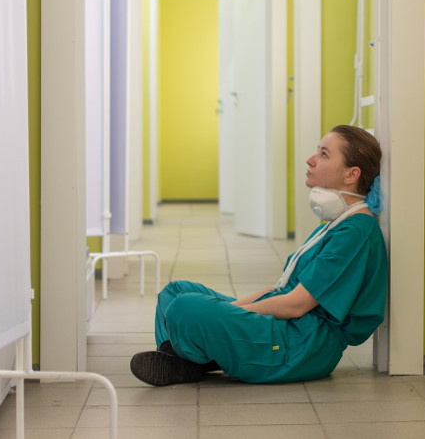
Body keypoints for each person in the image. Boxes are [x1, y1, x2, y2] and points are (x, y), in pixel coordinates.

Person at [130, 125, 388, 386]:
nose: (311, 160)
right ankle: (191, 361)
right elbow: (282, 289)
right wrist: (228, 313)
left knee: (185, 309)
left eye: (323, 154)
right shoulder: (337, 223)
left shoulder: (355, 233)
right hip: (288, 329)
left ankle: (186, 360)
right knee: (174, 292)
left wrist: (232, 316)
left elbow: (295, 304)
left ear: (351, 174)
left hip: (301, 346)